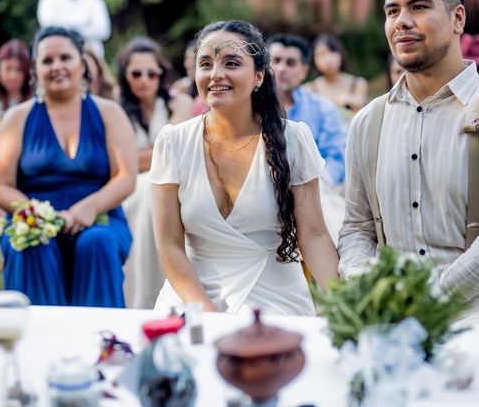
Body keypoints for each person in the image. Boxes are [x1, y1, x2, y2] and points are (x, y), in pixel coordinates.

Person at [338, 0, 479, 328]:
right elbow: (356, 229)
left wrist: (427, 299)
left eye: (419, 7)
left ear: (458, 18)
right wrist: (366, 286)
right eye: (392, 11)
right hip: (391, 303)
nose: (402, 22)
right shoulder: (368, 122)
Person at [151, 20, 339, 315]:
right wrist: (207, 313)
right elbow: (169, 246)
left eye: (231, 63)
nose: (216, 74)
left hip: (272, 292)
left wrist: (345, 304)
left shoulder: (294, 139)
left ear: (258, 77)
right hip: (191, 293)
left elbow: (313, 235)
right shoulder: (173, 141)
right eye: (205, 63)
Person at [0, 27, 137, 307]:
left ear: (82, 63)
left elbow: (126, 176)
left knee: (97, 243)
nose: (57, 67)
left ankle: (99, 342)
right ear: (35, 69)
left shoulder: (109, 113)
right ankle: (37, 342)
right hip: (33, 219)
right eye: (47, 61)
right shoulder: (16, 118)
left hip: (100, 217)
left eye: (65, 58)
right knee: (32, 246)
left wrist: (90, 208)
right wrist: (33, 214)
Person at [119, 37, 193, 309]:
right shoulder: (117, 110)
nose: (144, 80)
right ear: (126, 76)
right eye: (136, 73)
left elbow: (174, 152)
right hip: (133, 188)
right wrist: (150, 155)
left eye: (152, 73)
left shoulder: (180, 104)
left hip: (176, 182)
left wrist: (141, 157)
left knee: (154, 193)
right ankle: (141, 298)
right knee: (145, 194)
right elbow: (120, 161)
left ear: (161, 73)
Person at [267, 33, 347, 245]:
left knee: (336, 227)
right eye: (276, 61)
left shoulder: (323, 109)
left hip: (314, 193)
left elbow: (336, 158)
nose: (282, 68)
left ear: (303, 71)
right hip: (262, 193)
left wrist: (310, 184)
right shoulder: (249, 110)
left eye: (290, 63)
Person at [305, 34, 368, 116]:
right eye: (321, 54)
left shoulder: (357, 84)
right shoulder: (309, 89)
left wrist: (349, 100)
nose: (328, 59)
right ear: (314, 60)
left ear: (341, 53)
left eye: (332, 52)